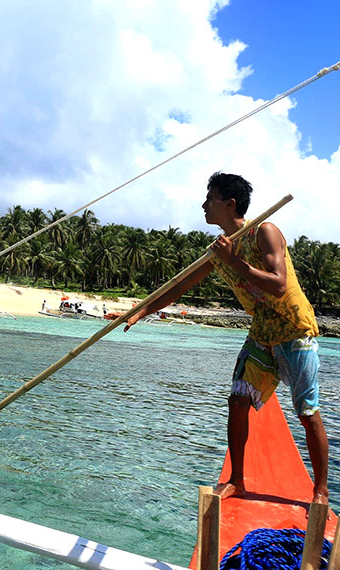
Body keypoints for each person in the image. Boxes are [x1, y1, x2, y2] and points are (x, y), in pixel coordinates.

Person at [124, 172, 328, 505]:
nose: (204, 204)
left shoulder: (265, 231)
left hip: (295, 330)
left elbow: (278, 283)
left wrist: (233, 260)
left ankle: (320, 491)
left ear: (229, 204)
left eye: (210, 198)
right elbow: (180, 285)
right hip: (263, 331)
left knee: (307, 412)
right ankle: (237, 480)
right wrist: (142, 311)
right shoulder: (217, 250)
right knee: (237, 400)